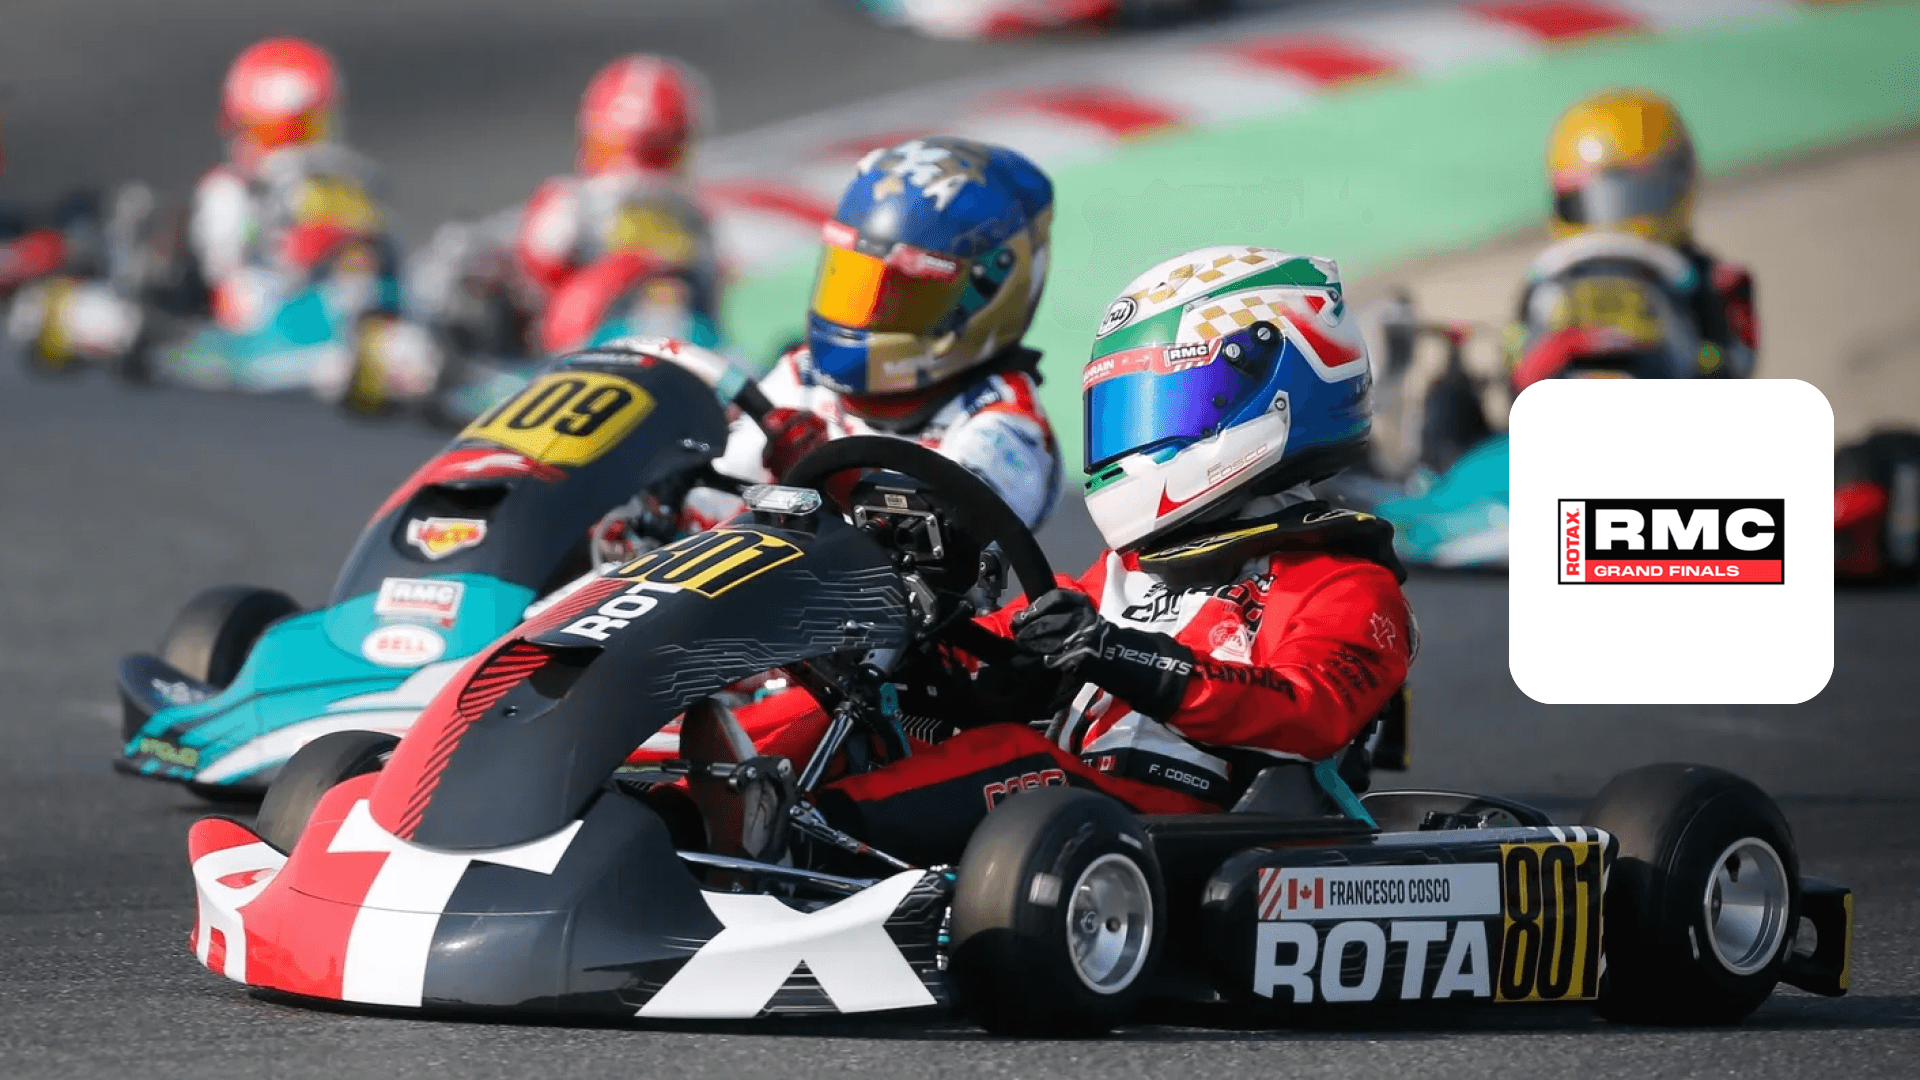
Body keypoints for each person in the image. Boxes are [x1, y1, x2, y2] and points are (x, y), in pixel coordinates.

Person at [731, 246, 1416, 867]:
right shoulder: (1128, 572)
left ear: (1274, 395)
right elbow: (1013, 635)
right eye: (1124, 409)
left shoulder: (1344, 582)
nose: (1135, 433)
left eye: (1166, 402)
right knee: (855, 702)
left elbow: (1310, 713)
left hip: (1196, 836)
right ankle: (695, 785)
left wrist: (1119, 655)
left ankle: (789, 837)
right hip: (1078, 820)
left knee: (1017, 762)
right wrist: (920, 636)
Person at [591, 135, 1062, 563]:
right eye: (854, 284)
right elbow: (717, 494)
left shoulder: (1005, 425)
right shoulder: (807, 377)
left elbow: (942, 547)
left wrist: (834, 481)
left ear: (988, 291)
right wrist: (662, 500)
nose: (867, 316)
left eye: (901, 297)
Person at [1510, 88, 1757, 385]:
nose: (1612, 221)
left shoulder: (1709, 283)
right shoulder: (1543, 287)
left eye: (1631, 198)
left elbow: (1736, 365)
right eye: (1595, 202)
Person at [511, 54, 722, 357]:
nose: (630, 171)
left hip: (683, 353)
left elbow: (715, 308)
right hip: (576, 355)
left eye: (652, 153)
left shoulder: (696, 221)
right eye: (610, 149)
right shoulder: (568, 207)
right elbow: (536, 296)